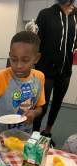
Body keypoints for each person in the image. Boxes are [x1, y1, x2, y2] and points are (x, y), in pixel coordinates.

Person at [31, 0, 77, 146]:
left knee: (57, 104)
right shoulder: (45, 14)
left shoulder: (76, 16)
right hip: (45, 70)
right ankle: (35, 134)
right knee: (41, 106)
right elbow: (36, 42)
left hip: (65, 70)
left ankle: (47, 132)